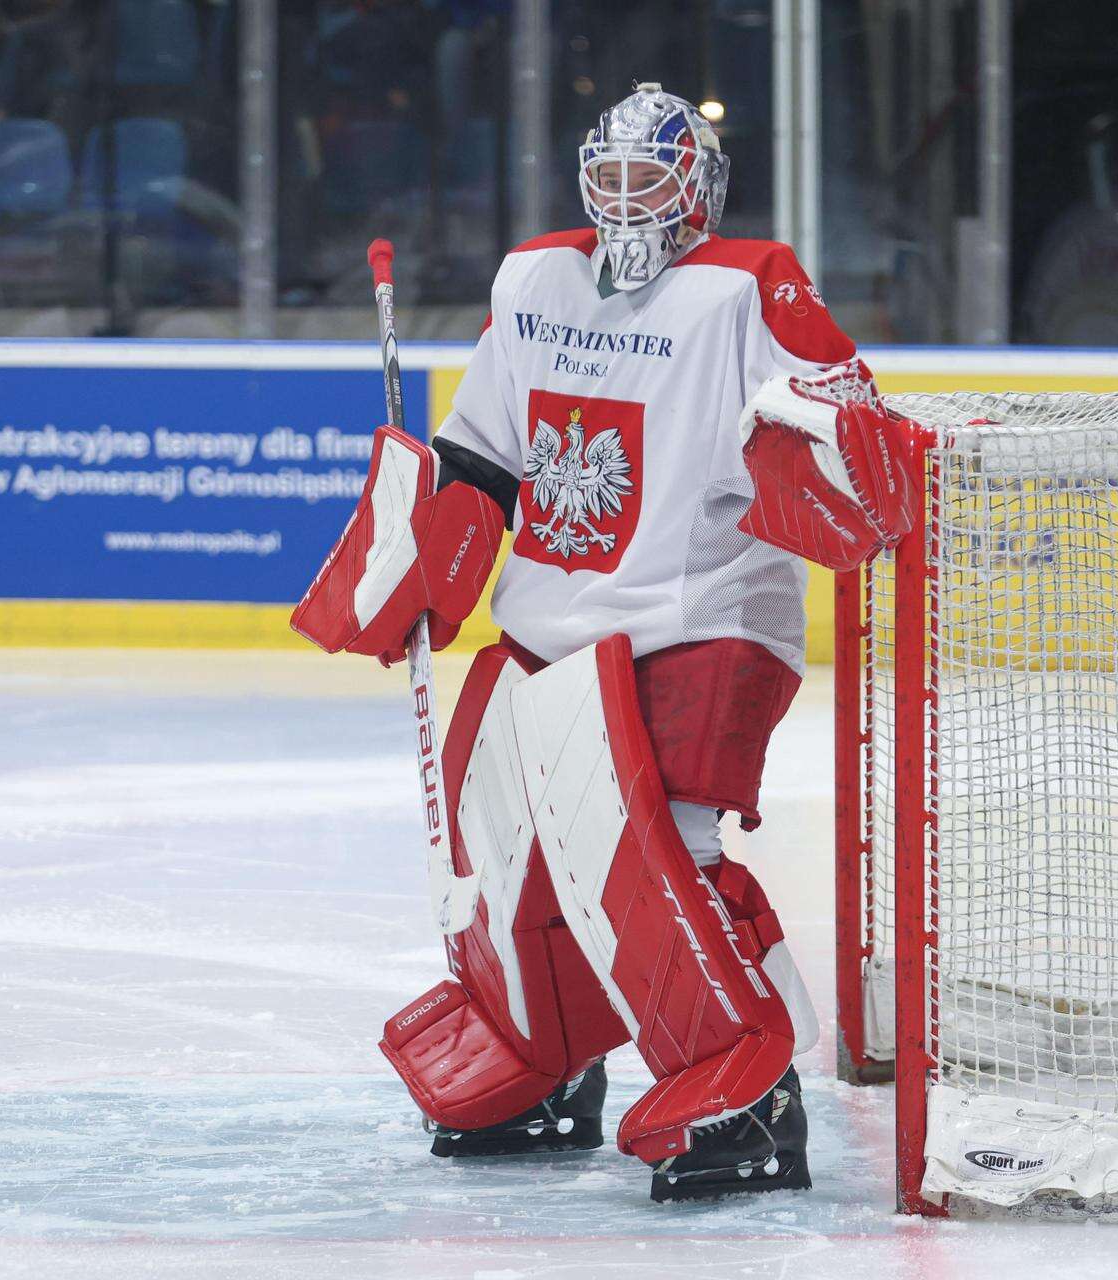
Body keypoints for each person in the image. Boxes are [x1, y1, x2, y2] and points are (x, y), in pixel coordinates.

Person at [292, 83, 917, 1202]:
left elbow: (844, 419)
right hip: (553, 619)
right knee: (510, 847)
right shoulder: (533, 277)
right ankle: (543, 1063)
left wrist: (819, 440)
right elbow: (485, 450)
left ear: (699, 185)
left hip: (702, 617)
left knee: (657, 847)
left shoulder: (746, 285)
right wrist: (424, 548)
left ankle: (748, 1088)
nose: (629, 197)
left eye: (653, 175)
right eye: (613, 175)